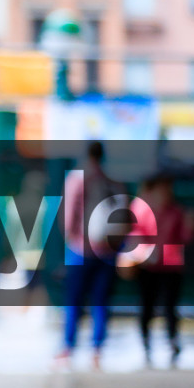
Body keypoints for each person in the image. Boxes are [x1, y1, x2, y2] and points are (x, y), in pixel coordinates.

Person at [58, 141, 124, 370]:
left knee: (74, 300)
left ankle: (67, 347)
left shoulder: (77, 179)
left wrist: (69, 236)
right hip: (106, 250)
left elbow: (68, 216)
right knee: (100, 301)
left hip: (80, 249)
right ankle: (97, 349)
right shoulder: (111, 180)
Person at [132, 172, 194, 367]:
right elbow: (135, 234)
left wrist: (190, 225)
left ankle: (172, 341)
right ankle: (145, 343)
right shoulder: (143, 208)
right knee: (147, 306)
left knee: (170, 307)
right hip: (148, 265)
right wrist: (145, 251)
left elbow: (185, 237)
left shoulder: (176, 211)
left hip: (170, 265)